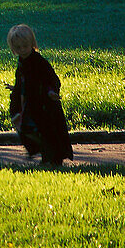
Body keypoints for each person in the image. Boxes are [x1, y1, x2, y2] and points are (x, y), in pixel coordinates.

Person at [6, 24, 73, 165]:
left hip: (43, 104)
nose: (22, 50)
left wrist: (51, 91)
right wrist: (17, 89)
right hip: (31, 104)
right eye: (18, 48)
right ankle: (44, 154)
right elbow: (24, 81)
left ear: (32, 44)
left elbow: (51, 79)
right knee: (30, 129)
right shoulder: (22, 62)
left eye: (25, 46)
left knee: (47, 131)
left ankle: (52, 158)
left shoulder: (39, 62)